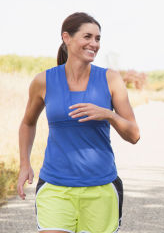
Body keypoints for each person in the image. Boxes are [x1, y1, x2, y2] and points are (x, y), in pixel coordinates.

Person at [16, 12, 140, 233]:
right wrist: (24, 163)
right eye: (88, 37)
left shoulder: (110, 79)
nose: (94, 44)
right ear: (67, 38)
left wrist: (108, 114)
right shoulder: (43, 81)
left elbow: (134, 135)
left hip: (101, 187)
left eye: (98, 38)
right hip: (55, 185)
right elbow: (27, 123)